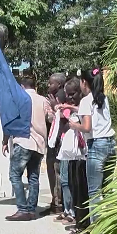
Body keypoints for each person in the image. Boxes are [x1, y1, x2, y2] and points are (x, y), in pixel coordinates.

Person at [67, 68, 116, 223]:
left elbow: (87, 127)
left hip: (96, 146)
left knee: (94, 191)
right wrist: (72, 108)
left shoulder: (85, 101)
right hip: (111, 144)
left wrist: (75, 125)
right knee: (107, 189)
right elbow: (93, 113)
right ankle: (110, 224)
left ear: (84, 83)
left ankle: (96, 229)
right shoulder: (103, 98)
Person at [2, 76, 49, 221]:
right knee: (33, 177)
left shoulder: (18, 100)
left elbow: (9, 120)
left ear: (22, 86)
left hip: (24, 141)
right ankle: (31, 209)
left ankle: (22, 209)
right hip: (39, 143)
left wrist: (4, 140)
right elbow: (51, 119)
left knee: (14, 175)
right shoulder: (43, 100)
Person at [55, 77, 90, 234]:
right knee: (74, 188)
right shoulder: (77, 108)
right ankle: (78, 219)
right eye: (67, 95)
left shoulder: (86, 106)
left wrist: (73, 122)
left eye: (73, 94)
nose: (69, 97)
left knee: (82, 191)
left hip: (83, 156)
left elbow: (85, 127)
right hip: (73, 157)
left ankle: (83, 223)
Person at [41, 73, 66, 217]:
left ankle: (58, 203)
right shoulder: (55, 97)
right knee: (53, 170)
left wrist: (50, 112)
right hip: (54, 141)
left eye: (51, 83)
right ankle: (55, 201)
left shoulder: (60, 97)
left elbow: (56, 119)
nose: (48, 86)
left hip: (57, 142)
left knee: (56, 170)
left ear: (59, 84)